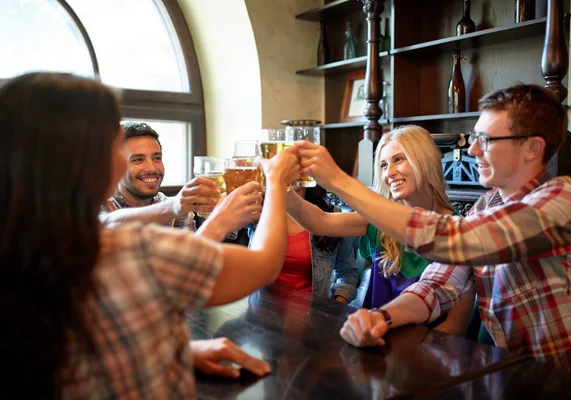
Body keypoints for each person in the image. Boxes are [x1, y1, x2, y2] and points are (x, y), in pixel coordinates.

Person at [0, 72, 300, 397]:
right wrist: (276, 181)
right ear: (86, 162)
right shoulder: (129, 249)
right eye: (116, 146)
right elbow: (266, 263)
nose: (148, 166)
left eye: (156, 156)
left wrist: (171, 350)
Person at [296, 84, 571, 377]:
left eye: (486, 139)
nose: (473, 150)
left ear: (533, 148)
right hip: (516, 376)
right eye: (474, 138)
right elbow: (436, 285)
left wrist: (338, 180)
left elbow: (457, 241)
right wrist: (382, 317)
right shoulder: (486, 207)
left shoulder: (561, 203)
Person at [286, 126, 474, 334]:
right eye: (383, 165)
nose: (389, 173)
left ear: (424, 160)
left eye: (398, 160)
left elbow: (455, 328)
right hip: (371, 339)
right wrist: (277, 184)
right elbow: (319, 221)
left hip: (424, 353)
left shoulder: (458, 231)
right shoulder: (382, 221)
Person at [100, 121, 258, 242]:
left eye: (157, 158)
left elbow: (190, 262)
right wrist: (174, 205)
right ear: (117, 165)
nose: (152, 168)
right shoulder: (98, 207)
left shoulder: (173, 208)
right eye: (138, 159)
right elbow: (108, 224)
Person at [248, 185, 359, 303]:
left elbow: (347, 273)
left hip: (313, 314)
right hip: (260, 310)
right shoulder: (257, 210)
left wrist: (334, 309)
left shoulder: (332, 215)